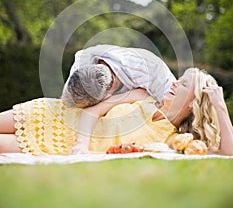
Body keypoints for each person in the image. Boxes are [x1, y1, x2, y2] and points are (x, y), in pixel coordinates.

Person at [0, 68, 233, 156]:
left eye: (182, 85)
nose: (173, 83)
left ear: (193, 104)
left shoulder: (174, 139)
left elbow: (228, 152)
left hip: (60, 145)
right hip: (56, 116)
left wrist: (220, 107)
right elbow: (95, 109)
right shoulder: (143, 95)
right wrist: (82, 143)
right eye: (178, 79)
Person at [61, 44, 176, 107]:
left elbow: (171, 108)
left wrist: (136, 96)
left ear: (106, 96)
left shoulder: (151, 69)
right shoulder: (83, 62)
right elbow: (67, 103)